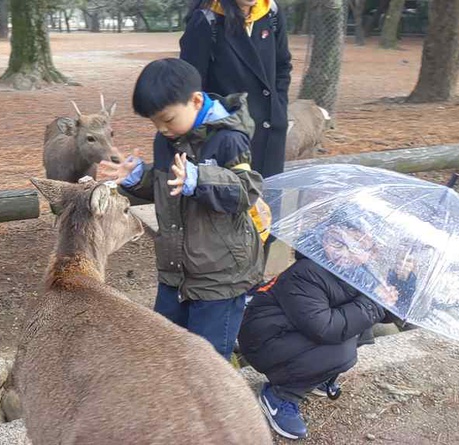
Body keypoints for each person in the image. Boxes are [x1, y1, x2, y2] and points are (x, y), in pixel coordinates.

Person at [98, 58, 264, 361]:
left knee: (207, 359)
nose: (163, 129)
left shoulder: (229, 139)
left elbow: (245, 192)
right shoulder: (166, 140)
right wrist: (138, 178)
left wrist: (201, 179)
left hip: (220, 276)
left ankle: (217, 404)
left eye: (168, 119)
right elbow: (169, 188)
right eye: (155, 123)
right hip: (175, 270)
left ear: (196, 100)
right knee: (165, 347)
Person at [237, 216, 414, 440]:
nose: (344, 253)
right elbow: (325, 328)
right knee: (342, 352)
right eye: (337, 242)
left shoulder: (361, 272)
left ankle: (314, 376)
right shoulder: (307, 271)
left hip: (292, 334)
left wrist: (402, 281)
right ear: (323, 238)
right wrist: (374, 302)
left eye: (358, 247)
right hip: (262, 341)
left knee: (359, 327)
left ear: (372, 252)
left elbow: (385, 314)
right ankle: (280, 396)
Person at [180, 0, 292, 179]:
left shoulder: (271, 12)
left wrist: (278, 108)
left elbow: (282, 66)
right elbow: (192, 88)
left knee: (271, 201)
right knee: (237, 201)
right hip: (230, 141)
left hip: (270, 133)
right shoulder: (207, 20)